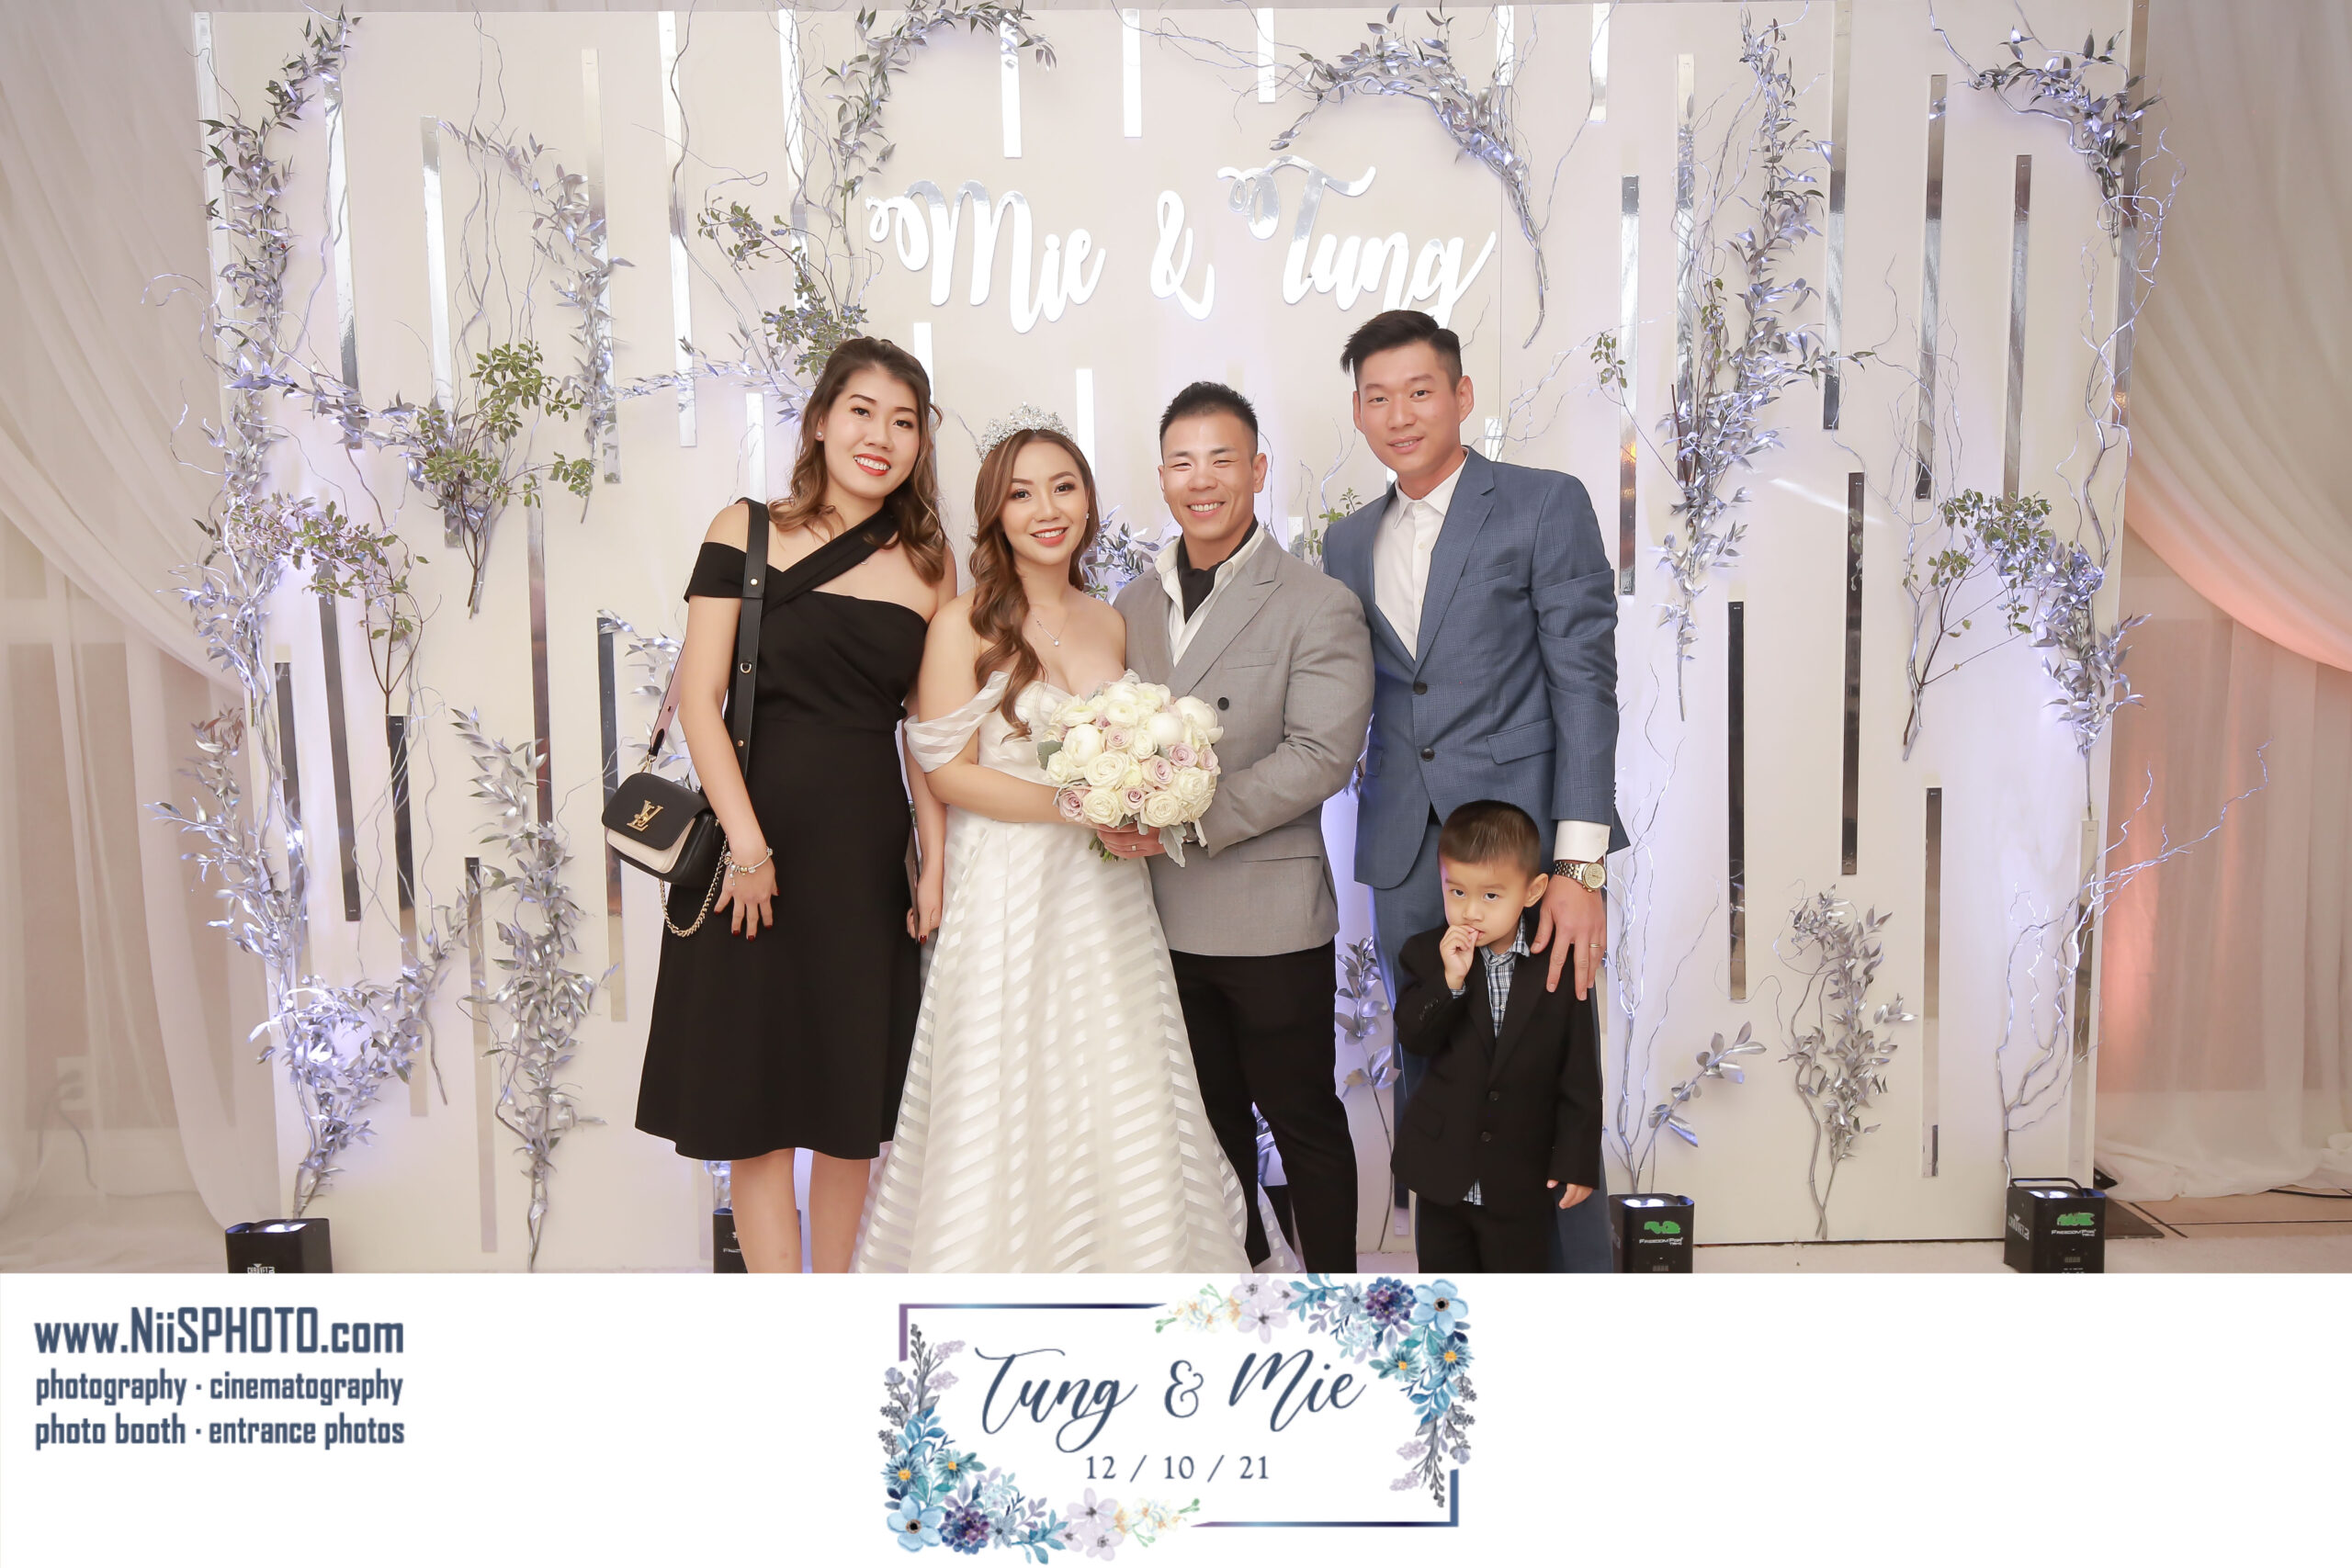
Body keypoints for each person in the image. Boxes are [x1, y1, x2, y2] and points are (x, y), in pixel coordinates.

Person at [854, 411, 1250, 1273]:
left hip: (1106, 891)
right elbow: (946, 772)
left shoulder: (1112, 620)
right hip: (1005, 883)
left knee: (1119, 1068)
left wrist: (1147, 793)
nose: (1047, 509)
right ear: (995, 513)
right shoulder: (963, 622)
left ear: (1088, 503)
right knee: (1007, 1074)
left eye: (1064, 487)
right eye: (1022, 493)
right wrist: (1079, 805)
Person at [635, 337, 956, 1273]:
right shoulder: (744, 529)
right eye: (861, 411)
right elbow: (700, 698)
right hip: (752, 845)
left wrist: (934, 863)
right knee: (757, 1103)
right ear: (819, 422)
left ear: (920, 443)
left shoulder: (931, 567)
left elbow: (929, 735)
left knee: (852, 1109)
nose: (880, 436)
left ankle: (836, 1303)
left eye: (903, 422)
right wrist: (747, 845)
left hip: (863, 857)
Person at [1321, 310, 1625, 1273]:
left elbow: (1584, 684)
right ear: (1358, 412)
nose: (1400, 414)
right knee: (1432, 1069)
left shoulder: (1542, 504)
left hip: (1523, 852)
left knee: (1543, 1067)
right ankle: (1450, 1301)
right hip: (1406, 849)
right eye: (1378, 397)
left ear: (1460, 396)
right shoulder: (1346, 541)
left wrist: (1578, 866)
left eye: (1420, 391)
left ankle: (1569, 1291)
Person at [1103, 382, 1375, 1273]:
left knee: (1302, 1120)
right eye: (1182, 462)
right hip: (1156, 916)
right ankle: (1241, 1284)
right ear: (1161, 478)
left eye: (1221, 459)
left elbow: (1319, 757)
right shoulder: (1130, 606)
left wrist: (1182, 821)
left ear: (1257, 470)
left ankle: (1334, 1304)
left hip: (1269, 917)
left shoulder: (1314, 601)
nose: (1201, 480)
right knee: (1201, 1124)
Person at [1389, 801, 1602, 1273]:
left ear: (1533, 891)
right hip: (1444, 1172)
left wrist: (1577, 1160)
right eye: (1457, 891)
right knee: (1445, 1298)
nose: (1470, 911)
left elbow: (1579, 1071)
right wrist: (1449, 981)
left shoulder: (1559, 962)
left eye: (1490, 896)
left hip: (1520, 1176)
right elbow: (1414, 1039)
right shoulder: (1425, 954)